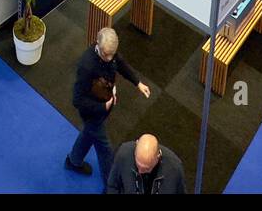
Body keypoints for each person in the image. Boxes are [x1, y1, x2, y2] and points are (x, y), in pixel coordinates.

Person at [65, 27, 150, 186]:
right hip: (92, 112)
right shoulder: (86, 66)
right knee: (105, 149)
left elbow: (121, 64)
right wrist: (103, 107)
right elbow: (77, 100)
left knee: (88, 135)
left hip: (104, 103)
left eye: (112, 55)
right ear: (98, 44)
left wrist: (137, 82)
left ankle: (73, 161)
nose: (109, 58)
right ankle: (111, 186)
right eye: (106, 55)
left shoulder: (110, 53)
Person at [104, 135, 186, 194]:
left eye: (146, 168)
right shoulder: (123, 154)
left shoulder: (174, 168)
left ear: (158, 157)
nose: (140, 171)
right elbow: (112, 185)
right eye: (138, 165)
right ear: (135, 149)